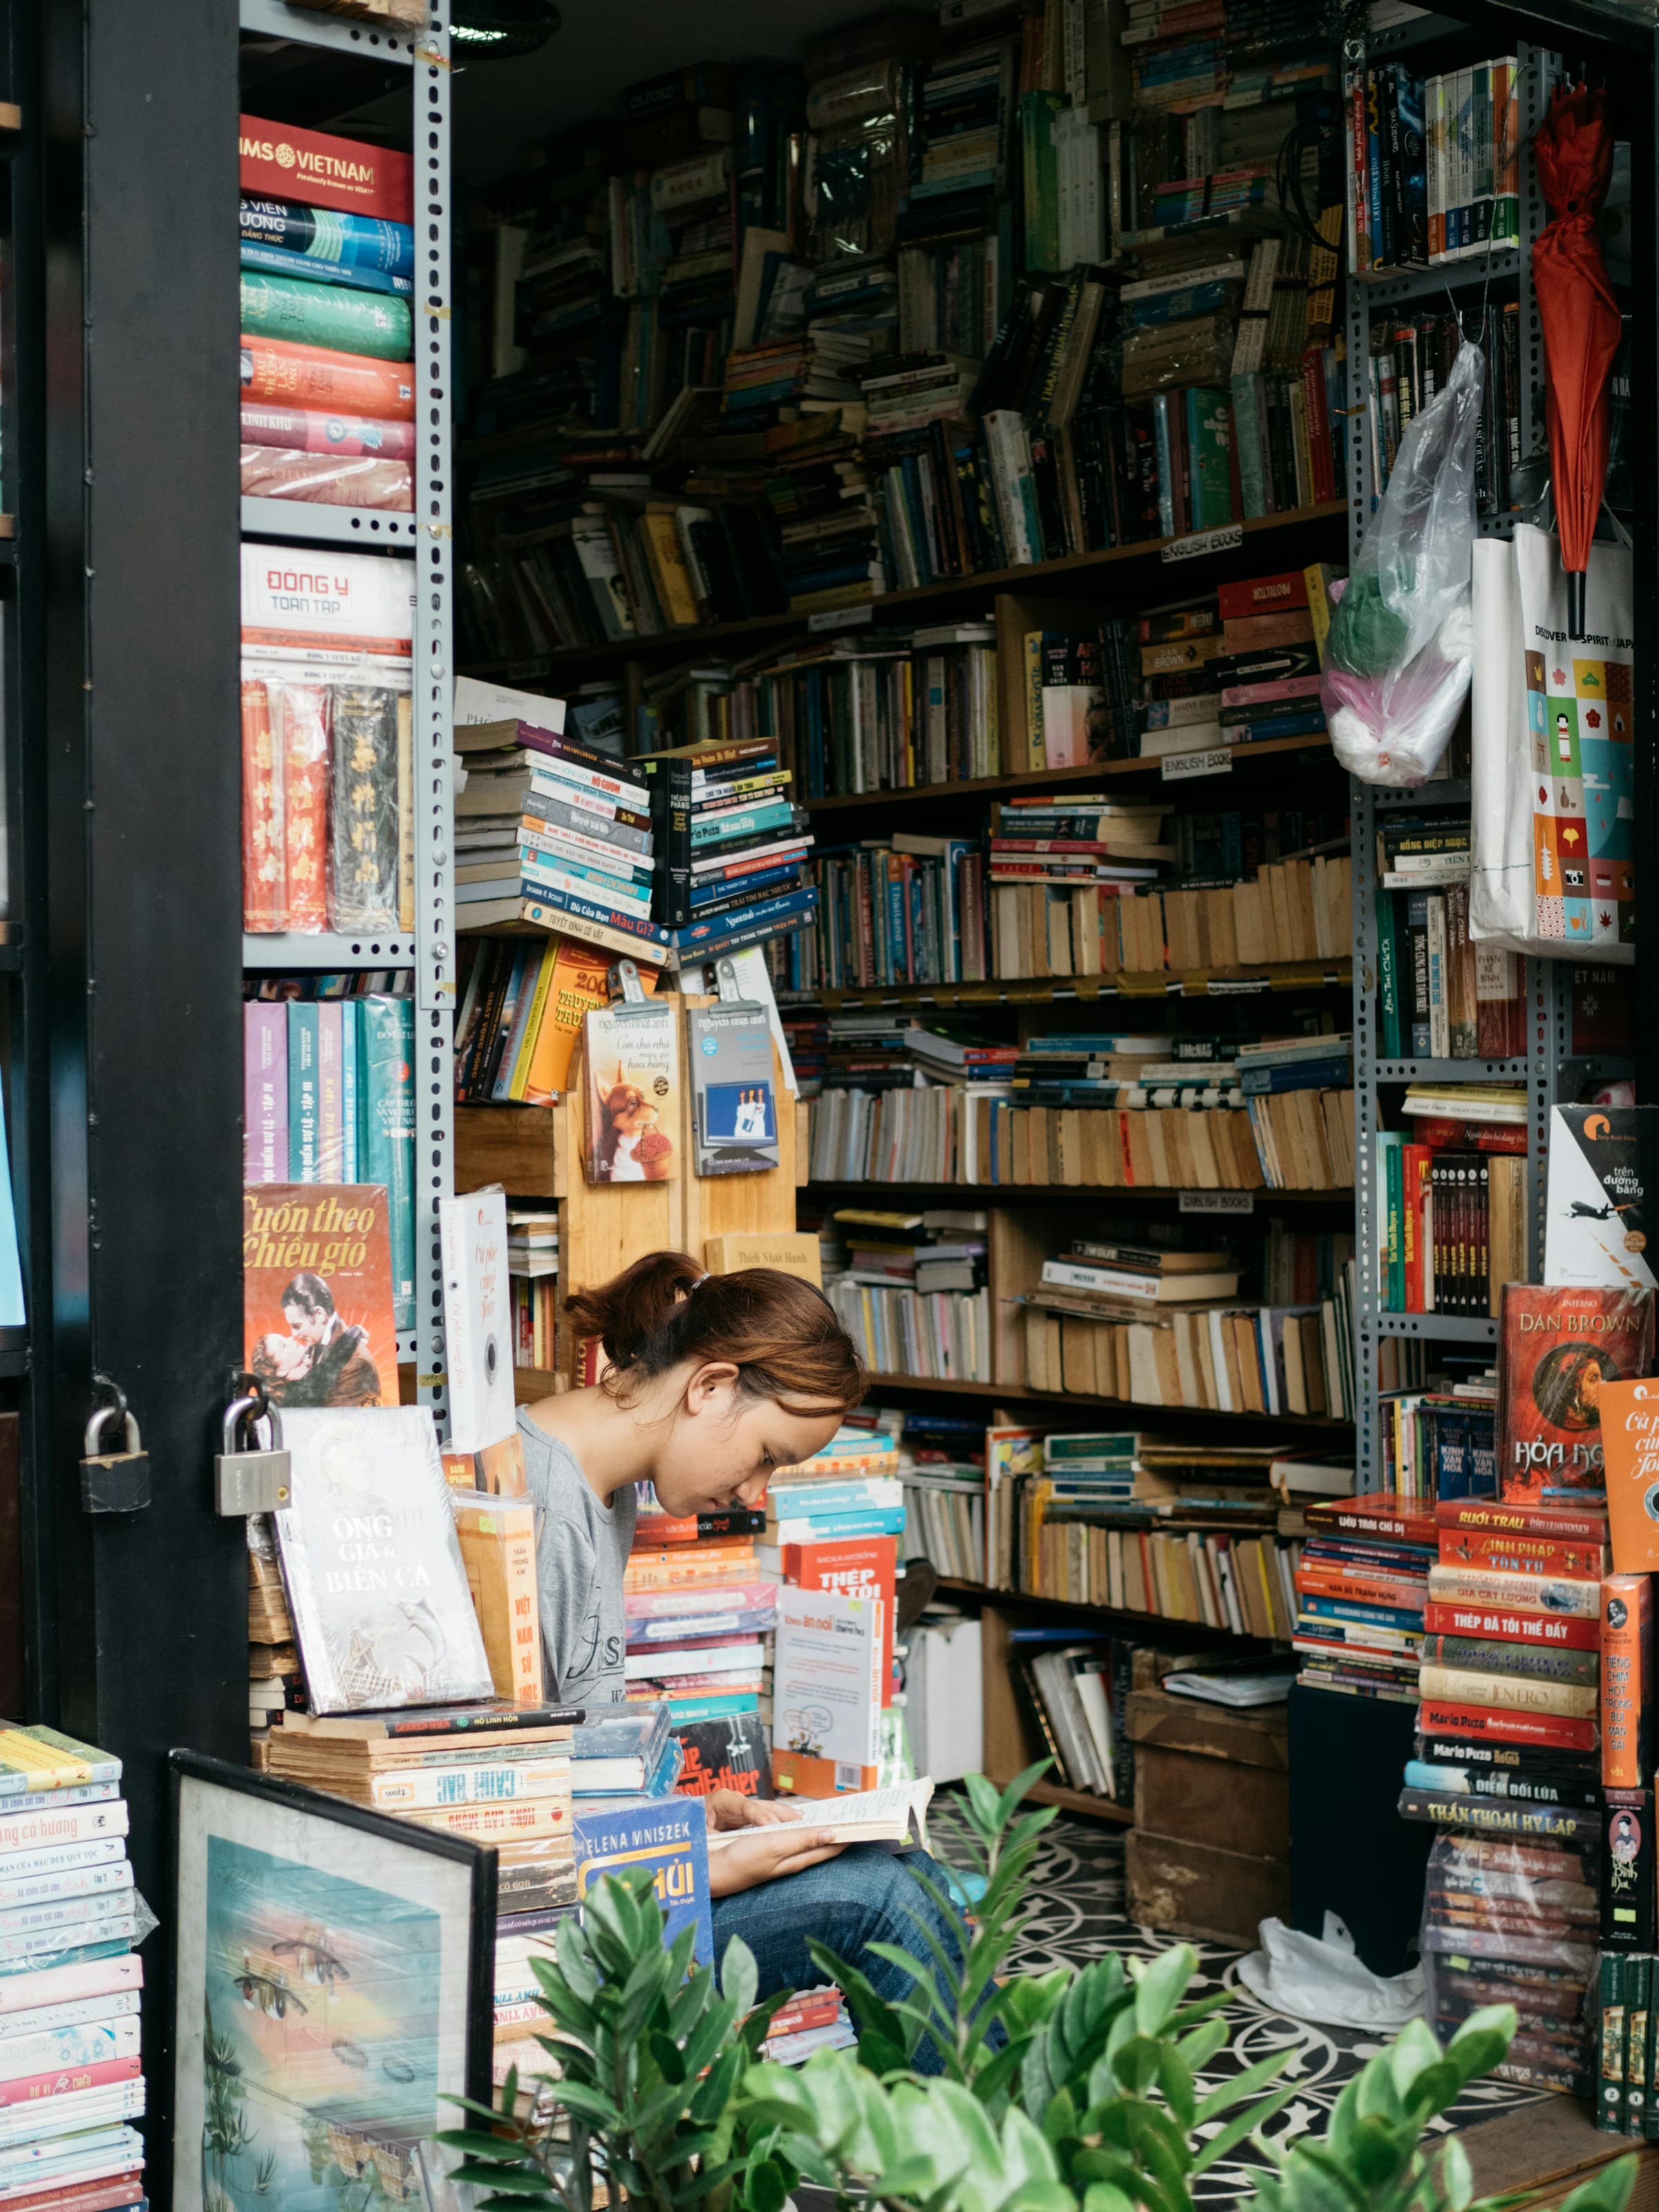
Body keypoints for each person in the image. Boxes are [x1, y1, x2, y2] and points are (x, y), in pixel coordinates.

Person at [518, 1250, 972, 2067]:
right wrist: (712, 1867)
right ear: (711, 1385)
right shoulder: (537, 1507)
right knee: (888, 1906)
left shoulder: (603, 1489)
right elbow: (505, 1824)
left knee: (912, 1871)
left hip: (611, 1883)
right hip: (557, 1939)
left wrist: (695, 1818)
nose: (757, 1492)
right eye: (767, 1454)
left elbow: (570, 1769)